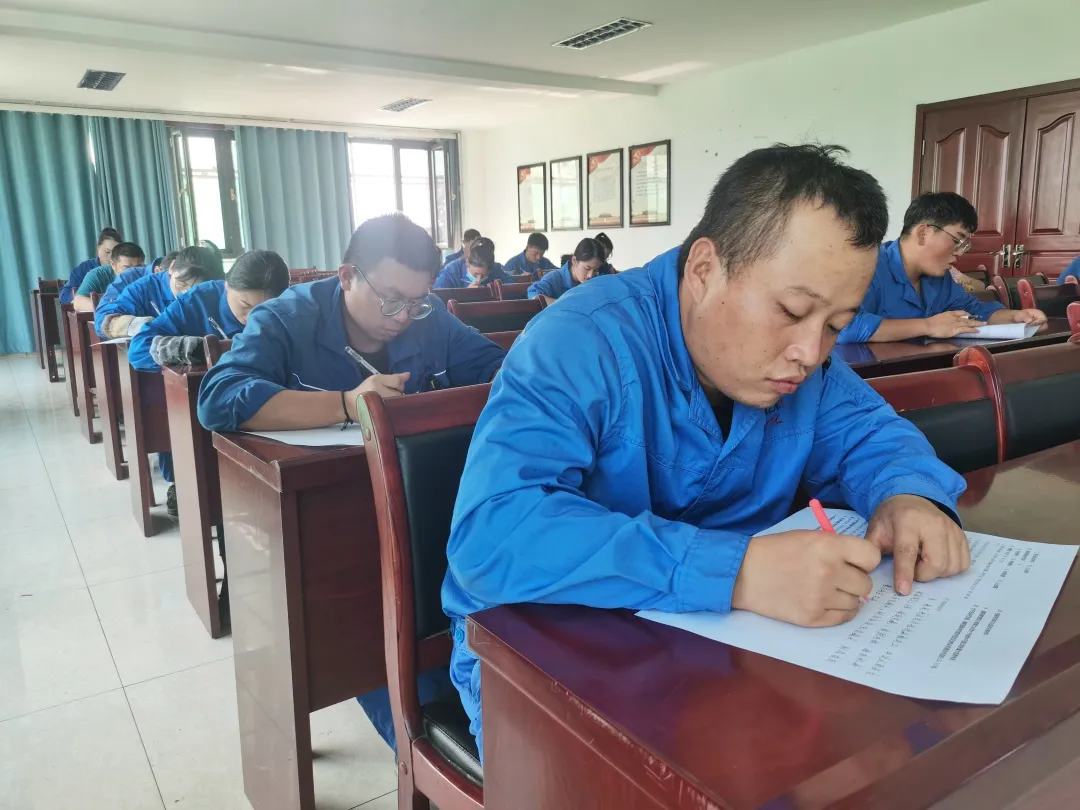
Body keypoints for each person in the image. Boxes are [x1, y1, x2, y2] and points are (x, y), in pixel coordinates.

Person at [442, 144, 972, 755]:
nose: (811, 352)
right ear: (703, 269)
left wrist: (908, 495)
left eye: (835, 325)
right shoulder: (580, 340)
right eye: (792, 311)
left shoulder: (806, 371)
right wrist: (737, 572)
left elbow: (875, 436)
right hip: (543, 659)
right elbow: (495, 533)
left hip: (717, 650)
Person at [197, 213, 507, 434]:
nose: (403, 316)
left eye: (415, 301)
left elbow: (500, 369)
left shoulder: (429, 315)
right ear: (347, 277)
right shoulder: (286, 319)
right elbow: (218, 399)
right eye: (391, 299)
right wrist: (347, 405)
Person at [97, 245, 225, 517]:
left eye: (197, 290)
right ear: (171, 270)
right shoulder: (144, 288)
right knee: (166, 407)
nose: (187, 295)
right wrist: (146, 326)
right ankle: (178, 479)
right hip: (157, 374)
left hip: (204, 376)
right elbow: (105, 321)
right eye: (182, 286)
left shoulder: (215, 294)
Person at [838, 193, 1046, 343]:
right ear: (923, 233)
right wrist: (928, 326)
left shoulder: (938, 278)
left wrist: (1016, 317)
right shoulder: (868, 267)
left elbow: (975, 311)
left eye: (964, 245)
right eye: (957, 241)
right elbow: (844, 326)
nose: (959, 253)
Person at [129, 250, 290, 373]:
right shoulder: (198, 301)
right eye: (245, 304)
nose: (251, 317)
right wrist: (187, 350)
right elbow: (138, 349)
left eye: (264, 309)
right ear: (226, 285)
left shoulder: (290, 309)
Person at [95, 252, 178, 337]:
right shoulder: (134, 282)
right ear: (158, 271)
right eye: (179, 282)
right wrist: (141, 325)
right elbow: (102, 322)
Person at [526, 237, 606, 303]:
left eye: (595, 270)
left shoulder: (596, 280)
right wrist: (564, 305)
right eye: (587, 268)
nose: (590, 275)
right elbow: (533, 294)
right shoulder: (554, 279)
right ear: (574, 261)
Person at [72, 242, 146, 311]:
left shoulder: (149, 273)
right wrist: (111, 308)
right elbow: (79, 302)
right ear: (113, 265)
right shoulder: (98, 275)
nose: (133, 272)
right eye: (127, 268)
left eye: (138, 267)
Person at [60, 227, 122, 304]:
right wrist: (84, 297)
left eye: (116, 253)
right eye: (107, 252)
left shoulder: (124, 269)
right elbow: (64, 296)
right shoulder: (84, 268)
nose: (111, 257)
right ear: (98, 247)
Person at [433, 237, 513, 289]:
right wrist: (466, 294)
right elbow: (439, 298)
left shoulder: (496, 269)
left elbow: (513, 287)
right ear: (467, 262)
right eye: (475, 274)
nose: (479, 279)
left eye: (483, 276)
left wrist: (496, 291)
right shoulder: (450, 272)